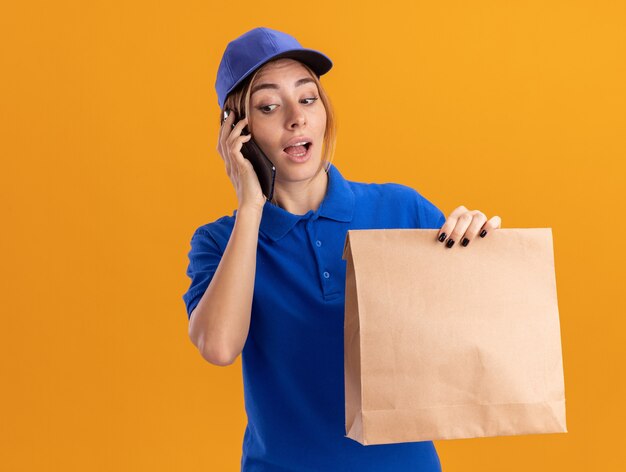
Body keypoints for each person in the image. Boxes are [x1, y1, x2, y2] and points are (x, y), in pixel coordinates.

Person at [183, 26, 502, 472]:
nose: (296, 117)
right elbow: (218, 347)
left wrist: (482, 248)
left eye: (308, 98)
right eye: (270, 106)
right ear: (238, 132)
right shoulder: (220, 242)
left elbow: (478, 330)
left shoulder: (401, 207)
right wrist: (250, 207)